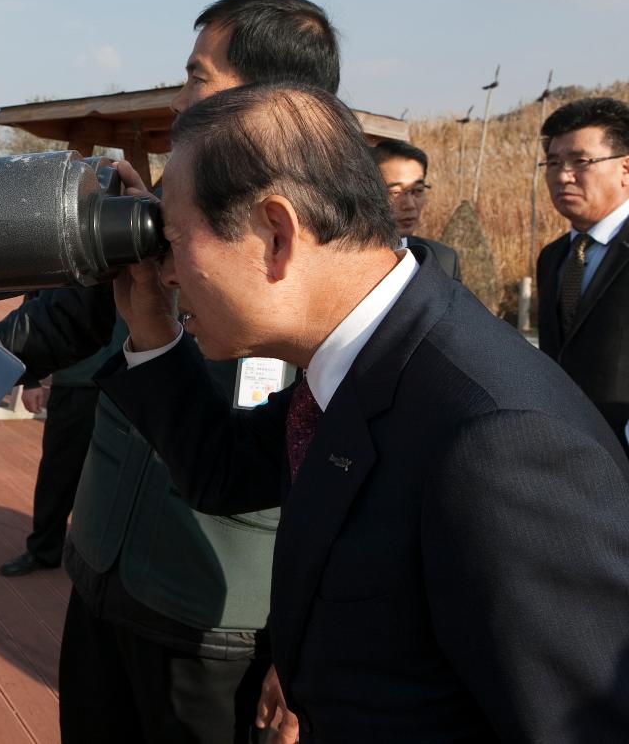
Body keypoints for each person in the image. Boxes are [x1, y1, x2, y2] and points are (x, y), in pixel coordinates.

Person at [98, 80, 629, 741]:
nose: (168, 271)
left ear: (275, 232)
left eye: (175, 240)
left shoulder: (497, 443)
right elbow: (224, 469)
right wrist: (150, 327)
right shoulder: (365, 363)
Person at [0, 0, 339, 743]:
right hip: (103, 576)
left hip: (219, 620)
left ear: (271, 99)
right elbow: (57, 323)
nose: (179, 103)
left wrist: (302, 661)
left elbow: (348, 486)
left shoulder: (333, 250)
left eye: (198, 79)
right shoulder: (161, 209)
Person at [536, 97, 629, 452]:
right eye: (554, 162)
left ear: (625, 168)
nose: (563, 175)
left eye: (581, 162)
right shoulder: (554, 257)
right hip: (566, 451)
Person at [0, 350, 103, 577]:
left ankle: (105, 562)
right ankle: (44, 550)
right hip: (76, 384)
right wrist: (30, 379)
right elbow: (42, 322)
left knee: (120, 479)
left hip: (135, 384)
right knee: (58, 471)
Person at [370, 138, 461, 280]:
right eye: (395, 192)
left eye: (418, 190)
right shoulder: (341, 261)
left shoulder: (444, 261)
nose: (410, 205)